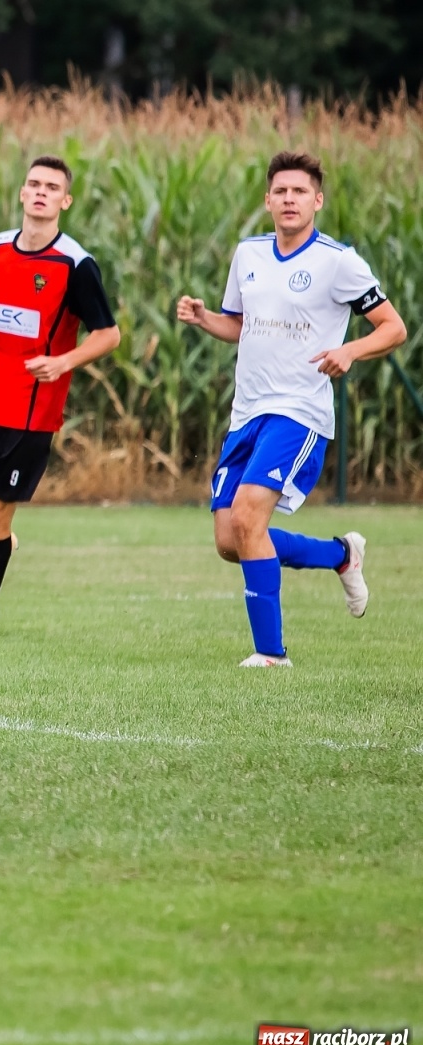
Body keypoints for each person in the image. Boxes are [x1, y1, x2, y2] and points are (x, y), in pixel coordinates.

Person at [176, 150, 406, 666]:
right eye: (280, 191)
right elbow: (241, 327)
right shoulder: (248, 254)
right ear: (267, 200)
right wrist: (203, 318)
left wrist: (349, 349)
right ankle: (340, 555)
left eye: (299, 191)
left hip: (298, 412)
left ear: (317, 201)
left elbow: (394, 328)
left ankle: (271, 655)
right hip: (246, 414)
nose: (289, 199)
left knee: (249, 519)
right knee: (230, 539)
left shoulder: (338, 260)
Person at [0, 156, 121, 639]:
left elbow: (109, 335)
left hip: (31, 414)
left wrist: (63, 363)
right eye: (34, 184)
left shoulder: (76, 265)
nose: (41, 192)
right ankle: (0, 544)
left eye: (52, 187)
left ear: (66, 201)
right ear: (22, 193)